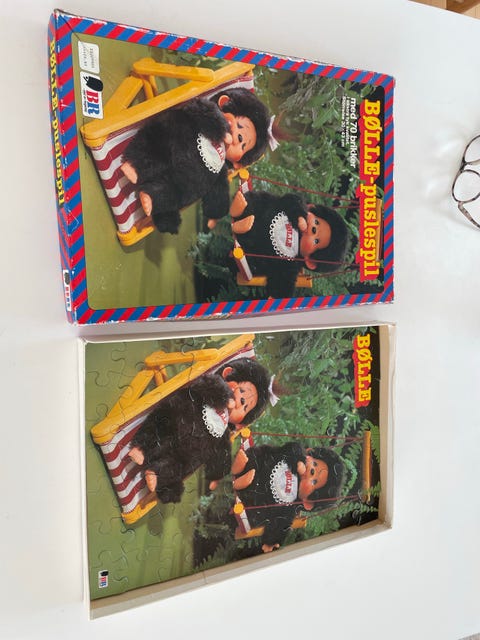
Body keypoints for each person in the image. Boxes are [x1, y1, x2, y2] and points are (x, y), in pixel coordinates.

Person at [120, 88, 272, 234]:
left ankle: (153, 196)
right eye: (239, 128)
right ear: (223, 104)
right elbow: (197, 108)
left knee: (177, 193)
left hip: (179, 180)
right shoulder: (211, 115)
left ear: (238, 162)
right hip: (173, 143)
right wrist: (220, 128)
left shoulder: (220, 166)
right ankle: (136, 165)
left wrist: (216, 212)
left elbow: (219, 190)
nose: (237, 140)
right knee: (161, 142)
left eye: (243, 146)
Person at [230, 190, 350, 298]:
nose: (313, 228)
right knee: (257, 202)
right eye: (317, 222)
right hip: (259, 211)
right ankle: (240, 211)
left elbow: (284, 282)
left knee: (252, 261)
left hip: (252, 246)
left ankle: (241, 227)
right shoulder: (297, 211)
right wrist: (299, 215)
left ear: (310, 261)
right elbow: (290, 199)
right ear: (311, 209)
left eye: (316, 241)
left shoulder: (290, 264)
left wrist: (279, 296)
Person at [232, 441, 345, 552]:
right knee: (254, 459)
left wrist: (272, 541)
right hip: (259, 464)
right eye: (315, 464)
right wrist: (298, 459)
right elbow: (292, 447)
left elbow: (281, 524)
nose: (311, 471)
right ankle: (239, 467)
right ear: (308, 453)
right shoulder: (294, 456)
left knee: (255, 508)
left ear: (308, 502)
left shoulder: (289, 507)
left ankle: (240, 483)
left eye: (314, 481)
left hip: (253, 498)